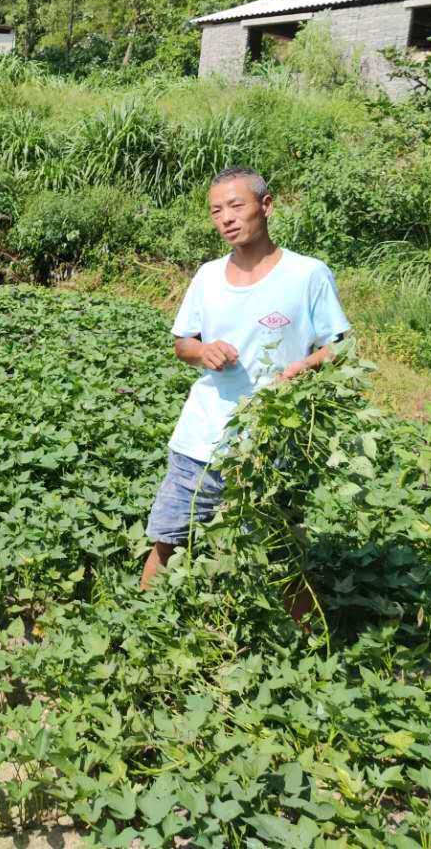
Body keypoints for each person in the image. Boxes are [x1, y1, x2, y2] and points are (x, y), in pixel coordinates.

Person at [140, 166, 350, 592]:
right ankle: (138, 629)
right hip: (202, 437)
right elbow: (183, 342)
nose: (226, 219)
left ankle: (299, 644)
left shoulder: (307, 274)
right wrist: (203, 351)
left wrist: (303, 369)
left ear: (266, 206)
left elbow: (340, 345)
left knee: (276, 551)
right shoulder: (207, 276)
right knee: (168, 539)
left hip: (269, 441)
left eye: (236, 206)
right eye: (216, 211)